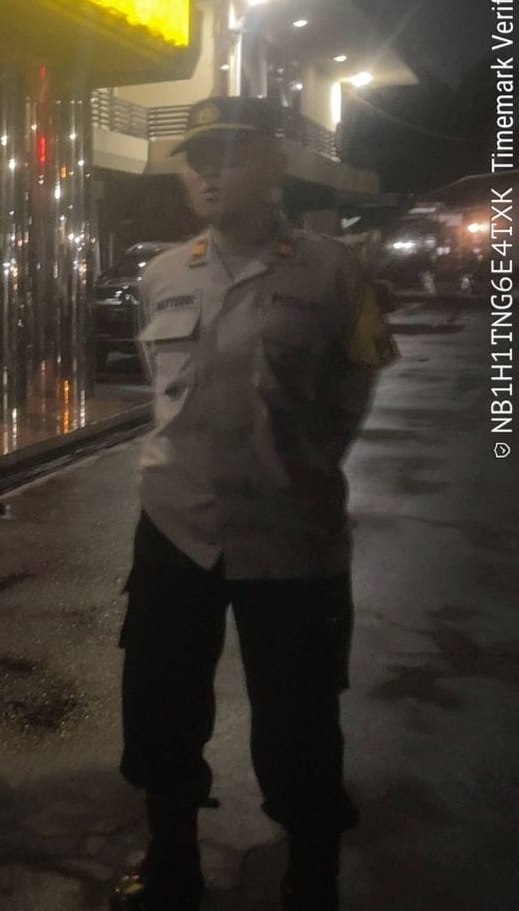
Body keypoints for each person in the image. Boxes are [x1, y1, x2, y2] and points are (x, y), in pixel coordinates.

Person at [111, 97, 398, 911]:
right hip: (176, 528)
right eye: (198, 160)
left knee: (299, 719)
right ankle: (171, 862)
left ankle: (312, 874)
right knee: (162, 708)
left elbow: (353, 392)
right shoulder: (163, 275)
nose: (209, 174)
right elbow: (164, 394)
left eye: (229, 156)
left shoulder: (335, 272)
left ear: (273, 166)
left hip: (291, 533)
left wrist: (297, 470)